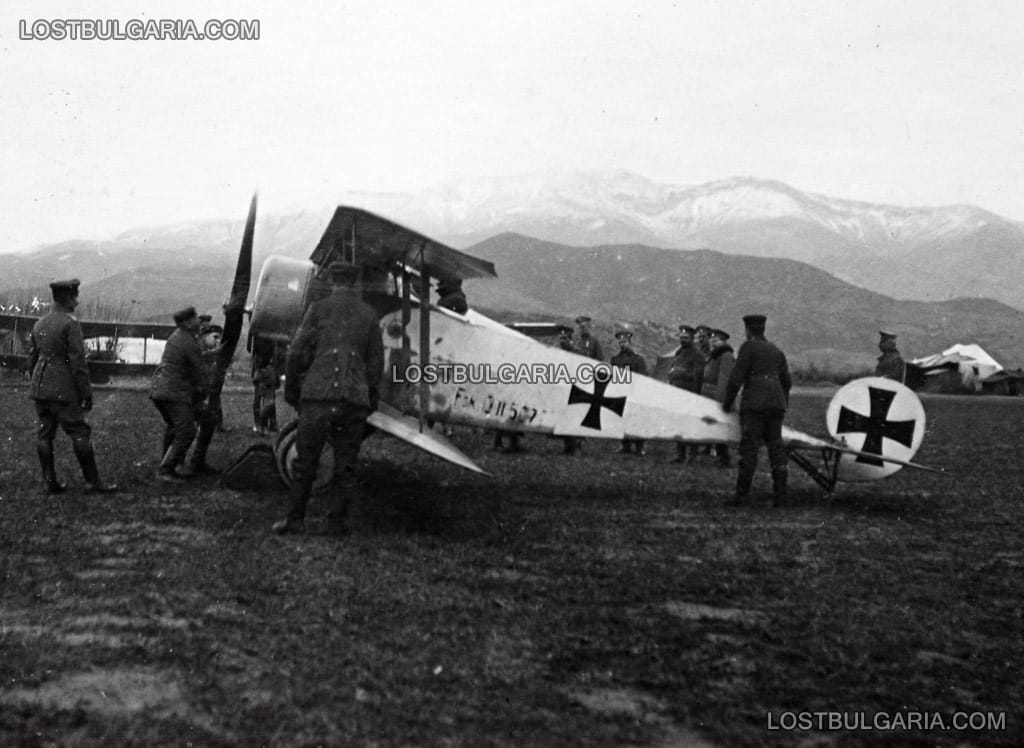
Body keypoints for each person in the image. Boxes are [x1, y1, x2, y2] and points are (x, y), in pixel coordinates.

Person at [273, 261, 385, 536]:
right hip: (352, 400)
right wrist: (368, 398)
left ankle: (295, 520)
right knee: (345, 465)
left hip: (318, 397)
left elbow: (296, 352)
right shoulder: (369, 314)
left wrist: (293, 393)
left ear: (332, 281)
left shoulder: (317, 310)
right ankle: (335, 524)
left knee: (305, 463)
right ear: (355, 281)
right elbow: (375, 364)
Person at [27, 279, 117, 494]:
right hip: (63, 389)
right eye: (74, 297)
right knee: (79, 432)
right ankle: (92, 482)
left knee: (44, 434)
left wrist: (36, 382)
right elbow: (78, 363)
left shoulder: (40, 323)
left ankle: (50, 482)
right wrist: (86, 393)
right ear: (67, 298)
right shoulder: (70, 324)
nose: (76, 302)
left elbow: (32, 359)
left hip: (40, 387)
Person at [722, 314, 792, 505]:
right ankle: (781, 495)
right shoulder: (776, 350)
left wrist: (727, 404)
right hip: (776, 406)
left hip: (754, 405)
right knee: (777, 449)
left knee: (749, 450)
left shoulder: (748, 348)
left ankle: (741, 495)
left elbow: (736, 378)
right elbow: (787, 381)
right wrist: (782, 401)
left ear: (748, 330)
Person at [150, 306, 212, 480]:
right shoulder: (187, 341)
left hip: (161, 390)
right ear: (187, 323)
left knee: (176, 427)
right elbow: (198, 369)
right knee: (186, 431)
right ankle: (166, 469)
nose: (198, 321)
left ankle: (174, 462)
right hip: (173, 393)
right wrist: (204, 389)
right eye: (194, 318)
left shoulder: (179, 337)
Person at [667, 325, 704, 463]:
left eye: (686, 337)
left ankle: (692, 456)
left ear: (692, 338)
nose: (683, 339)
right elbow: (672, 369)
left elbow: (698, 376)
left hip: (689, 394)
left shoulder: (697, 355)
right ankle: (680, 454)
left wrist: (694, 398)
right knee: (678, 425)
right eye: (681, 337)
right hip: (676, 394)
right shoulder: (678, 353)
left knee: (691, 426)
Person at [610, 326, 648, 455]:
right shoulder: (615, 360)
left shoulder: (638, 359)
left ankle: (639, 447)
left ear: (630, 342)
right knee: (622, 420)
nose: (622, 344)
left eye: (624, 342)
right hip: (621, 393)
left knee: (637, 420)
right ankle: (625, 445)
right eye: (620, 342)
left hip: (634, 394)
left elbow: (643, 378)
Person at [702, 328, 736, 467]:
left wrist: (720, 401)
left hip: (717, 396)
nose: (713, 342)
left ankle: (724, 458)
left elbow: (724, 379)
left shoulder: (726, 355)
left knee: (720, 428)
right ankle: (716, 452)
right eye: (711, 339)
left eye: (716, 340)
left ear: (724, 341)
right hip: (708, 394)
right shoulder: (714, 355)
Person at [252, 356, 279, 435]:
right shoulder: (266, 369)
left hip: (268, 385)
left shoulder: (269, 369)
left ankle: (264, 426)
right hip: (266, 385)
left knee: (267, 405)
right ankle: (262, 426)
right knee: (267, 405)